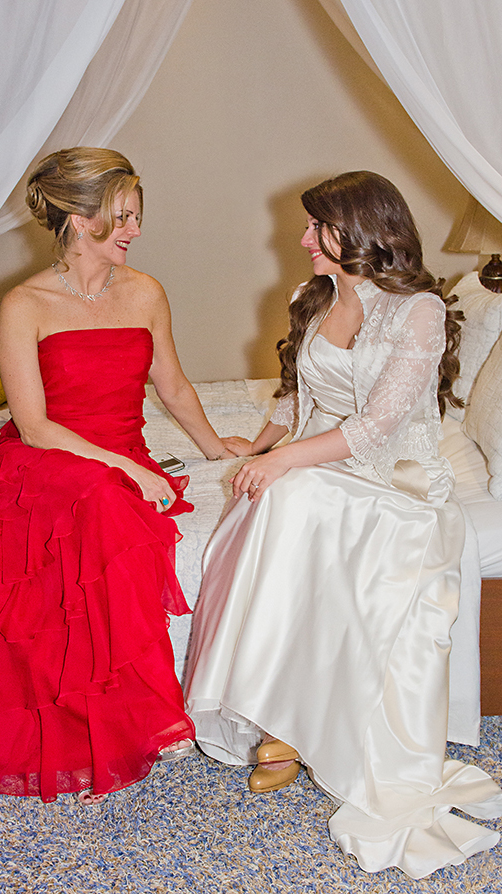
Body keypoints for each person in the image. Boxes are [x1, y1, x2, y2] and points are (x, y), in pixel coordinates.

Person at [183, 171, 502, 878]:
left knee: (289, 498)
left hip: (399, 479)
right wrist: (263, 445)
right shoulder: (310, 297)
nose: (302, 241)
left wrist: (287, 464)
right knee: (273, 497)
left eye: (314, 229)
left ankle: (284, 723)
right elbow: (297, 390)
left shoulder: (418, 310)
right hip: (327, 460)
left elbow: (381, 424)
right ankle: (279, 717)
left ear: (356, 230)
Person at [0, 148, 244, 804]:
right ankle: (149, 714)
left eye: (135, 216)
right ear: (74, 218)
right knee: (102, 500)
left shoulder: (146, 292)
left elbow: (174, 386)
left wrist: (215, 447)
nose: (133, 229)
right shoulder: (23, 304)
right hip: (45, 460)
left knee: (107, 503)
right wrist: (128, 467)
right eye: (119, 216)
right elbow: (35, 426)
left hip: (118, 454)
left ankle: (138, 711)